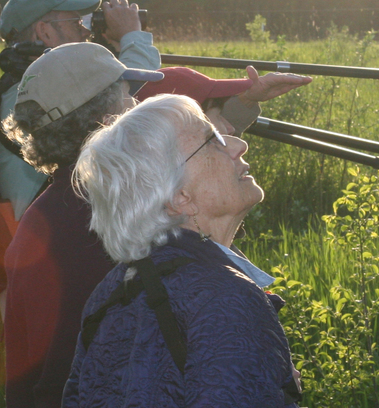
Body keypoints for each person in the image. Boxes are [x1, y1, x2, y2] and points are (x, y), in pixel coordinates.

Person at [2, 44, 309, 408]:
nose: (135, 108)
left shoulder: (53, 213)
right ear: (108, 124)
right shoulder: (100, 222)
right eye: (128, 99)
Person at [63, 94, 301, 407]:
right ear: (180, 197)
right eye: (212, 140)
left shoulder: (111, 291)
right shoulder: (227, 298)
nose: (238, 146)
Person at [0, 0, 160, 221]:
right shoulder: (43, 91)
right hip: (57, 229)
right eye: (76, 22)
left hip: (49, 222)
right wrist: (131, 36)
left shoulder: (19, 88)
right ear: (45, 32)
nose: (85, 31)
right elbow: (128, 99)